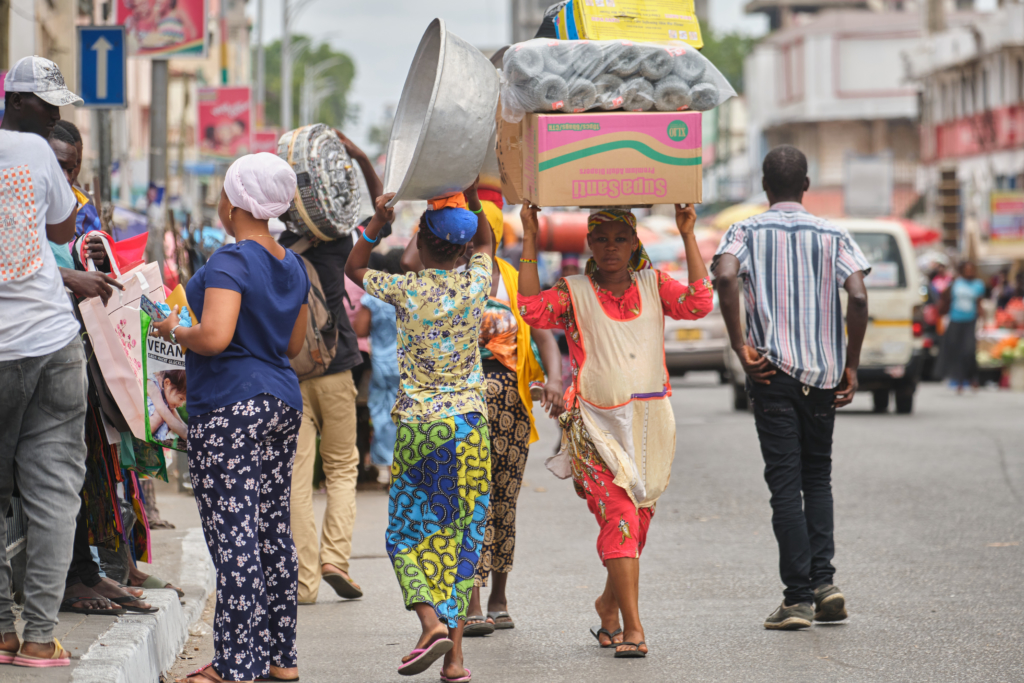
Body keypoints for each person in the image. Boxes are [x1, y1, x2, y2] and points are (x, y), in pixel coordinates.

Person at [518, 203, 714, 658]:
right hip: (593, 428)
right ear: (589, 243)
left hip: (650, 428)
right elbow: (529, 308)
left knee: (636, 526)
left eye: (620, 238)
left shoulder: (654, 284)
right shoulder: (574, 292)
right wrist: (529, 236)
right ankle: (634, 628)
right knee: (622, 519)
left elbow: (699, 303)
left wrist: (688, 233)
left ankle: (608, 603)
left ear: (633, 243)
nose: (610, 248)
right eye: (601, 238)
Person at [152, 153, 309, 683]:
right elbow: (293, 343)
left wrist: (175, 330)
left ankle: (236, 665)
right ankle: (280, 658)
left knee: (234, 535)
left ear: (234, 201)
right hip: (281, 402)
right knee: (271, 533)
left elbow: (215, 336)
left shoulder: (229, 261)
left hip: (231, 407)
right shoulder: (293, 264)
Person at [713, 145, 870, 630]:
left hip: (772, 373)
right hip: (823, 376)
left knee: (785, 482)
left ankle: (798, 598)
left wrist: (741, 346)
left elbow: (723, 275)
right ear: (806, 186)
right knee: (816, 477)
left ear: (764, 186)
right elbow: (859, 296)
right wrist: (851, 364)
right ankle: (824, 584)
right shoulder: (833, 233)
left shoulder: (745, 230)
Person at [345, 186, 494, 683]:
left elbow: (352, 269)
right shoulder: (477, 281)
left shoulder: (406, 289)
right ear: (465, 250)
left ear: (422, 245)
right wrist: (469, 200)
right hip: (471, 428)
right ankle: (453, 659)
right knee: (462, 538)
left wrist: (376, 224)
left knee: (405, 536)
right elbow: (488, 243)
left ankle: (429, 623)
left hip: (421, 428)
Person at [0, 55, 88, 668]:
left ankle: (5, 630)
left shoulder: (29, 141)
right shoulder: (34, 153)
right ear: (21, 102)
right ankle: (38, 637)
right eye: (48, 104)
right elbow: (61, 226)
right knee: (54, 490)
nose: (55, 115)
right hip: (50, 341)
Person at [278, 130, 379, 604]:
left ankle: (305, 581)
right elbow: (383, 212)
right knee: (342, 468)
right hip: (337, 369)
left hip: (290, 374)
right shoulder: (340, 244)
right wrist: (357, 156)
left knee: (299, 475)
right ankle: (336, 556)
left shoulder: (276, 248)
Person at [352, 249, 403, 486]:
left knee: (383, 414)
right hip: (409, 365)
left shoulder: (375, 296)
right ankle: (407, 464)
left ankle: (385, 467)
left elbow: (360, 330)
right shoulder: (414, 293)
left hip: (382, 365)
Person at [938, 260, 986, 393]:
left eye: (971, 269)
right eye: (967, 269)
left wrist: (983, 321)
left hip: (970, 321)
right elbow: (945, 297)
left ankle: (972, 377)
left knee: (969, 350)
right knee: (956, 350)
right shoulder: (956, 283)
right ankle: (959, 380)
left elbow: (979, 304)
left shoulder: (978, 285)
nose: (969, 271)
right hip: (955, 320)